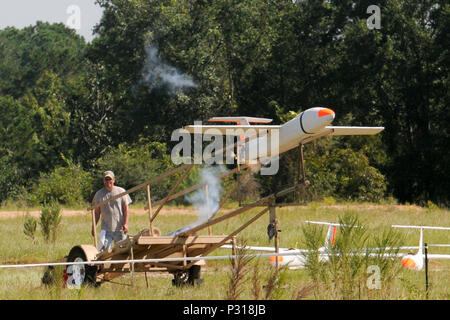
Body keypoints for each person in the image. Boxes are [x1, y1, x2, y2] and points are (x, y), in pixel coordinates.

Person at [92, 171, 132, 251]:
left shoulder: (121, 191)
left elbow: (126, 209)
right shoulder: (99, 194)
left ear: (113, 180)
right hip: (106, 229)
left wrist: (126, 224)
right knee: (104, 251)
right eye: (106, 179)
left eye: (110, 179)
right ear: (103, 181)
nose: (108, 182)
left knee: (122, 251)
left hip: (120, 228)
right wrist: (94, 226)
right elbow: (96, 212)